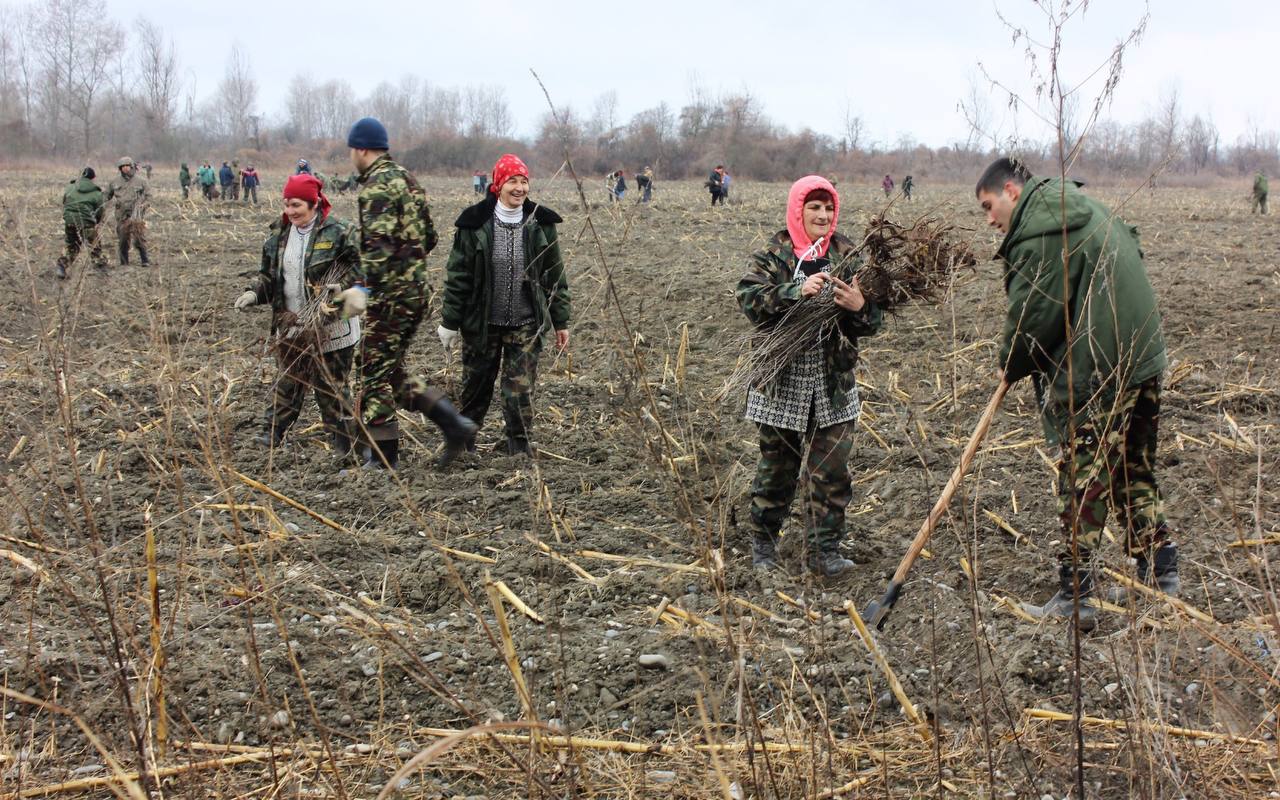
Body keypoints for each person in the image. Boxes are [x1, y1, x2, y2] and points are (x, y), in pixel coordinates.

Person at [975, 157, 1178, 631]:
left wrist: (1011, 362)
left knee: (1082, 477)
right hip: (1143, 356)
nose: (989, 220)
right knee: (1131, 466)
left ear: (1011, 190)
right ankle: (1163, 572)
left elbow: (1034, 317)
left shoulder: (1043, 232)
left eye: (988, 206)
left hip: (1102, 369)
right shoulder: (1081, 206)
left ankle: (1076, 595)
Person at [737, 175, 882, 578]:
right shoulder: (774, 253)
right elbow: (749, 299)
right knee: (777, 469)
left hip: (833, 383)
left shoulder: (848, 254)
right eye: (814, 206)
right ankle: (764, 543)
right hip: (781, 382)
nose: (822, 214)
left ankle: (825, 551)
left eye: (828, 207)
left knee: (832, 472)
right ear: (798, 209)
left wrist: (859, 305)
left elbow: (874, 322)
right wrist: (793, 292)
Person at [347, 116, 477, 469]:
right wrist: (410, 264)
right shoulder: (408, 179)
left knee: (373, 372)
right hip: (415, 291)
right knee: (391, 372)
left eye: (351, 152)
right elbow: (430, 237)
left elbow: (378, 248)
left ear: (360, 149)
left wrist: (362, 288)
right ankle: (454, 424)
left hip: (389, 296)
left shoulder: (375, 187)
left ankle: (381, 458)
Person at [439, 153, 571, 457]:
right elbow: (458, 276)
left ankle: (519, 445)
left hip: (526, 323)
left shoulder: (541, 224)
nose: (520, 188)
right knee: (476, 387)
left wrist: (560, 322)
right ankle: (464, 443)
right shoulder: (474, 224)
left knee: (519, 391)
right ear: (498, 185)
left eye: (524, 181)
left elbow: (555, 276)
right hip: (481, 323)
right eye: (513, 181)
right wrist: (449, 322)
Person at [233, 174, 365, 456]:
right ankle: (269, 438)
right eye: (286, 204)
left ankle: (345, 448)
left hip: (333, 328)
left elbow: (363, 270)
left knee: (332, 390)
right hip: (294, 327)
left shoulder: (341, 232)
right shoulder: (278, 235)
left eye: (296, 205)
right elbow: (270, 277)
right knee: (288, 385)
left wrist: (342, 288)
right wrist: (254, 293)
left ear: (314, 203)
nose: (290, 211)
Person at [56, 167, 107, 279]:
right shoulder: (97, 193)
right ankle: (101, 271)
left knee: (72, 246)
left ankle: (62, 267)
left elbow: (65, 202)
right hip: (86, 223)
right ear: (93, 178)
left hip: (69, 221)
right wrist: (96, 222)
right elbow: (99, 211)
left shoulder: (70, 187)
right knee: (94, 247)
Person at [106, 156, 151, 266]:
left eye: (127, 166)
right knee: (123, 239)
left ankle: (145, 260)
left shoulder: (141, 181)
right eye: (123, 166)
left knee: (139, 238)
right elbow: (106, 196)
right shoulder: (114, 182)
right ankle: (124, 262)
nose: (125, 168)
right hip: (121, 215)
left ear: (132, 167)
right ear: (120, 168)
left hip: (136, 215)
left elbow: (149, 196)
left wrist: (143, 205)